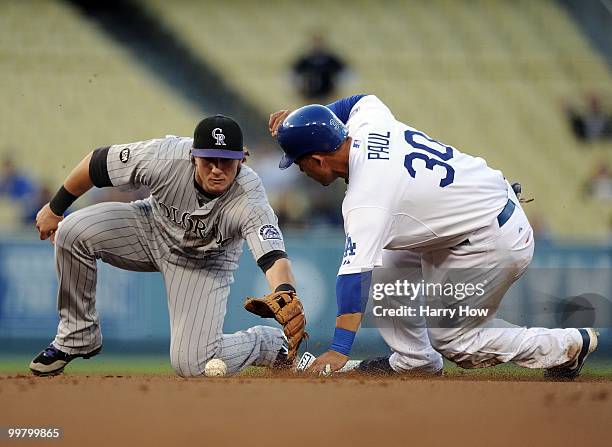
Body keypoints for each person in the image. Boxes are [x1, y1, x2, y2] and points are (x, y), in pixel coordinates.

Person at [269, 94, 598, 379]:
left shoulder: (365, 199)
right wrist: (302, 126)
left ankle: (567, 346)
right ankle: (415, 361)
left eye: (300, 164)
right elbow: (358, 100)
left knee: (456, 341)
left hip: (492, 240)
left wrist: (339, 349)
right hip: (480, 212)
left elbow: (354, 279)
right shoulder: (369, 124)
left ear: (317, 159)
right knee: (387, 260)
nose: (301, 172)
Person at [30, 115, 305, 377]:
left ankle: (268, 344)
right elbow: (97, 163)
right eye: (209, 160)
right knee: (71, 231)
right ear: (193, 155)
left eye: (227, 161)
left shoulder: (249, 196)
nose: (218, 169)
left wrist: (285, 291)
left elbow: (272, 255)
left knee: (192, 364)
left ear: (242, 159)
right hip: (150, 227)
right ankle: (78, 336)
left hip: (204, 264)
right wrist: (55, 208)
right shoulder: (164, 156)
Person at [291, 34, 347, 102]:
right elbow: (293, 74)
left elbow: (344, 73)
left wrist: (338, 90)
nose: (317, 46)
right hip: (309, 96)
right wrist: (298, 89)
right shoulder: (305, 61)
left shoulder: (331, 60)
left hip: (327, 96)